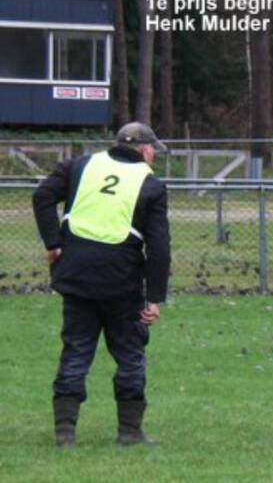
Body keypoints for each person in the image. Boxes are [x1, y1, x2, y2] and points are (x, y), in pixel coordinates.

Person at [32, 122, 171, 446]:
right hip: (121, 281)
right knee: (130, 355)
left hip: (76, 276)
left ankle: (65, 433)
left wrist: (53, 242)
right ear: (144, 150)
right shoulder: (150, 185)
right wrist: (154, 298)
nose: (154, 157)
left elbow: (42, 196)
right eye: (153, 151)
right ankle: (130, 432)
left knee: (76, 350)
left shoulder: (81, 165)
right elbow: (159, 247)